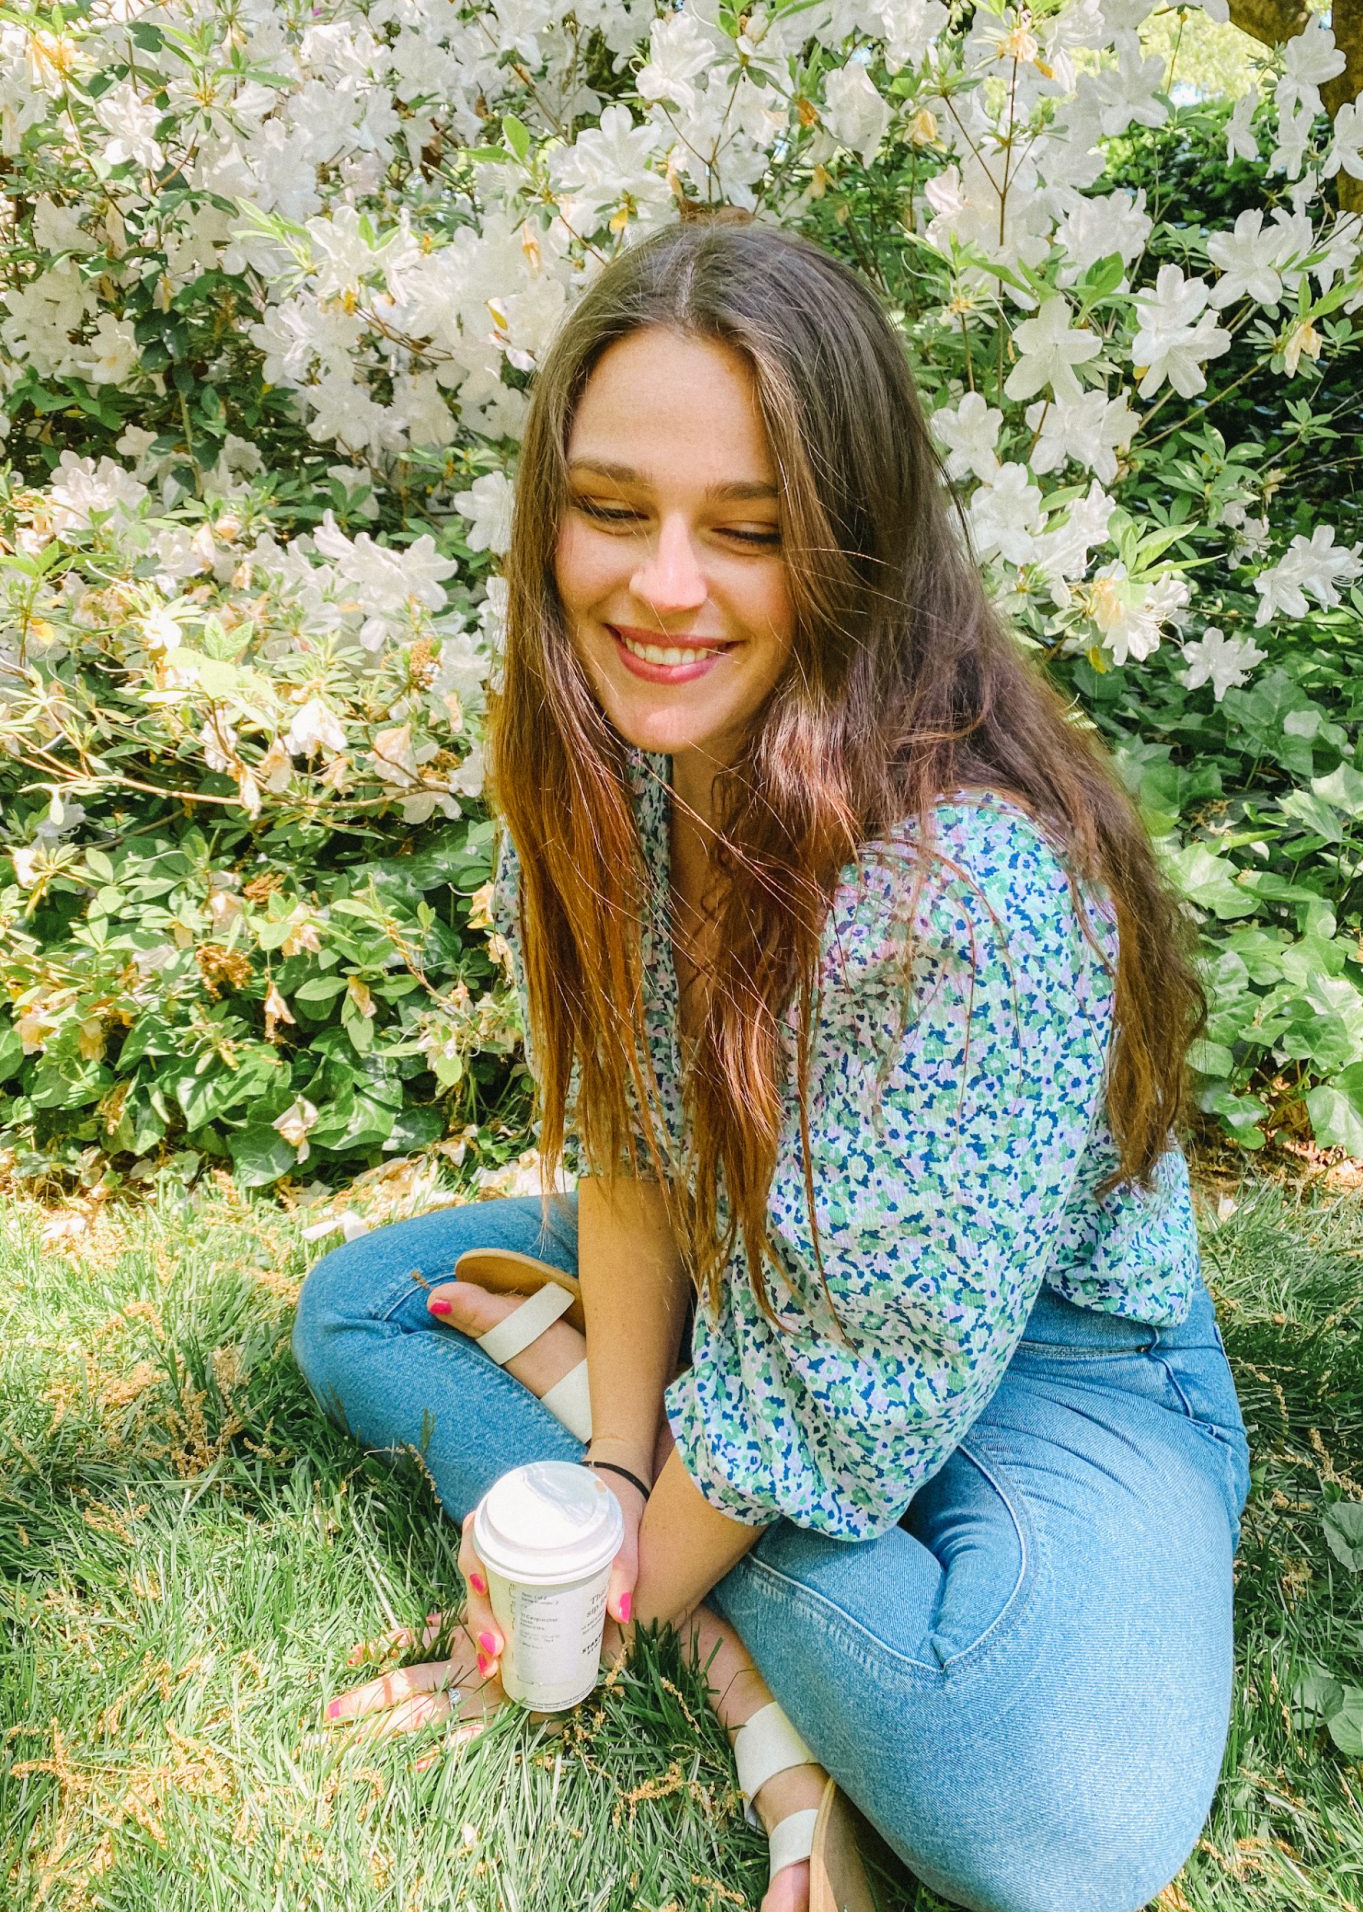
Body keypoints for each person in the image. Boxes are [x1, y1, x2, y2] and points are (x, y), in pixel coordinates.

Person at [291, 218, 1252, 1912]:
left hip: (1051, 1363)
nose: (666, 586)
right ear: (550, 512)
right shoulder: (610, 771)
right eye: (611, 510)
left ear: (858, 545)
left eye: (751, 531)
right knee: (357, 1309)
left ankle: (723, 1594)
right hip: (766, 1282)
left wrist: (608, 1588)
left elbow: (864, 1374)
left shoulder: (975, 886)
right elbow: (651, 1163)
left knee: (1052, 1826)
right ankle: (755, 1642)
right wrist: (606, 1485)